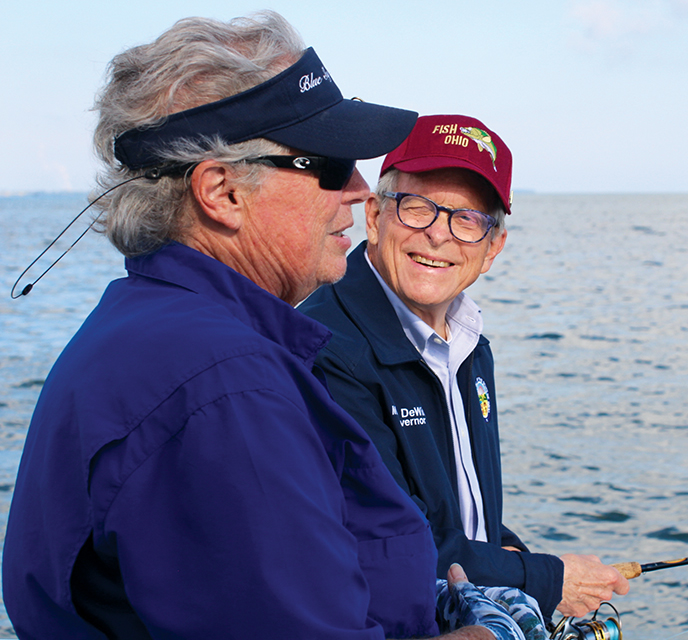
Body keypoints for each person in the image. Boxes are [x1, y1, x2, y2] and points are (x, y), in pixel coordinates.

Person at [2, 13, 540, 640]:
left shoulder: (155, 333)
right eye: (331, 164)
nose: (360, 191)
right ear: (223, 192)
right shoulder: (227, 388)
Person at [299, 114, 630, 619]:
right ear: (374, 215)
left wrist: (516, 557)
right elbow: (384, 541)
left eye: (468, 219)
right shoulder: (328, 348)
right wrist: (546, 578)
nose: (438, 235)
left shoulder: (470, 343)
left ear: (493, 247)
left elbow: (462, 515)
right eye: (416, 208)